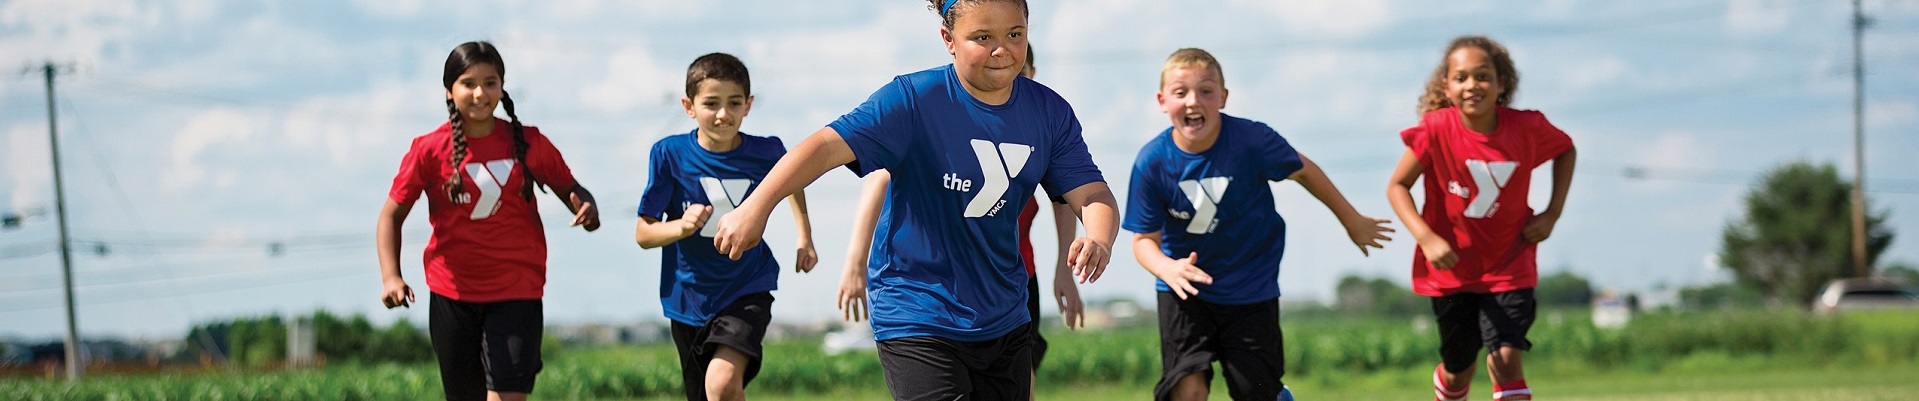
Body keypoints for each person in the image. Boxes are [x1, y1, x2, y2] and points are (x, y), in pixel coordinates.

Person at [711, 0, 1121, 398]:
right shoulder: (912, 99)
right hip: (916, 309)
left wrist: (1099, 239)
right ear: (948, 39)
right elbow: (825, 146)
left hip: (1004, 316)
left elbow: (1092, 193)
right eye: (982, 37)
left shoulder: (1049, 113)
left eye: (1015, 34)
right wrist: (756, 206)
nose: (1001, 50)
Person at [1125, 48, 1393, 401]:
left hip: (1249, 286)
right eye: (1180, 92)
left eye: (1206, 91)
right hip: (1184, 291)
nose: (1193, 101)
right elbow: (1143, 240)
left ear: (1223, 97)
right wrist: (1167, 268)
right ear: (1162, 101)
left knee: (1256, 392)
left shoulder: (1252, 141)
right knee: (1187, 391)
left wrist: (1351, 220)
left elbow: (1304, 171)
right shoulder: (1152, 162)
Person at [834, 45, 1083, 401]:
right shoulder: (948, 122)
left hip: (1014, 285)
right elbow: (879, 180)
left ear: (1031, 73)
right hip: (936, 291)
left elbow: (1069, 197)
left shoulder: (1039, 130)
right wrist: (854, 262)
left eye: (1020, 72)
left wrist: (1064, 270)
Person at [376, 41, 601, 401]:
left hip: (517, 289)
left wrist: (586, 207)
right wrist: (392, 276)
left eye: (490, 83)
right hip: (452, 293)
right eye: (468, 83)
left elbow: (572, 190)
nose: (480, 93)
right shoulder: (428, 150)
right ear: (449, 91)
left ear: (502, 87)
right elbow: (391, 216)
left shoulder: (530, 142)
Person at [1385, 36, 1577, 401]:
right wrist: (1426, 238)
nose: (1472, 85)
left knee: (1506, 359)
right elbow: (1397, 186)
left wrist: (1553, 213)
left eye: (1483, 76)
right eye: (1461, 78)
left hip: (1510, 264)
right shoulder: (1435, 130)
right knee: (1459, 369)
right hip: (1452, 272)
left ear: (1501, 83)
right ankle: (1449, 386)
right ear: (1447, 87)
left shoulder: (1527, 127)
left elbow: (1566, 149)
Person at [635, 52, 819, 401]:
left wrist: (804, 237)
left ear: (748, 105)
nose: (723, 114)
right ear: (688, 106)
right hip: (688, 299)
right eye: (711, 103)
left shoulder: (767, 152)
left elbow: (793, 181)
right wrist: (680, 227)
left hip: (746, 287)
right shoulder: (669, 154)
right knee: (708, 395)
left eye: (734, 103)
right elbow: (643, 233)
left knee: (720, 385)